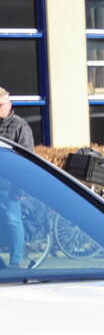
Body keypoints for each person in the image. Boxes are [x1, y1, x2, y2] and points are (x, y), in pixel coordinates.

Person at [0, 87, 33, 269]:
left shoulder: (20, 126)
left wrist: (21, 187)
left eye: (0, 105)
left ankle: (15, 261)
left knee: (13, 221)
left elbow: (27, 160)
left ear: (9, 104)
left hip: (10, 184)